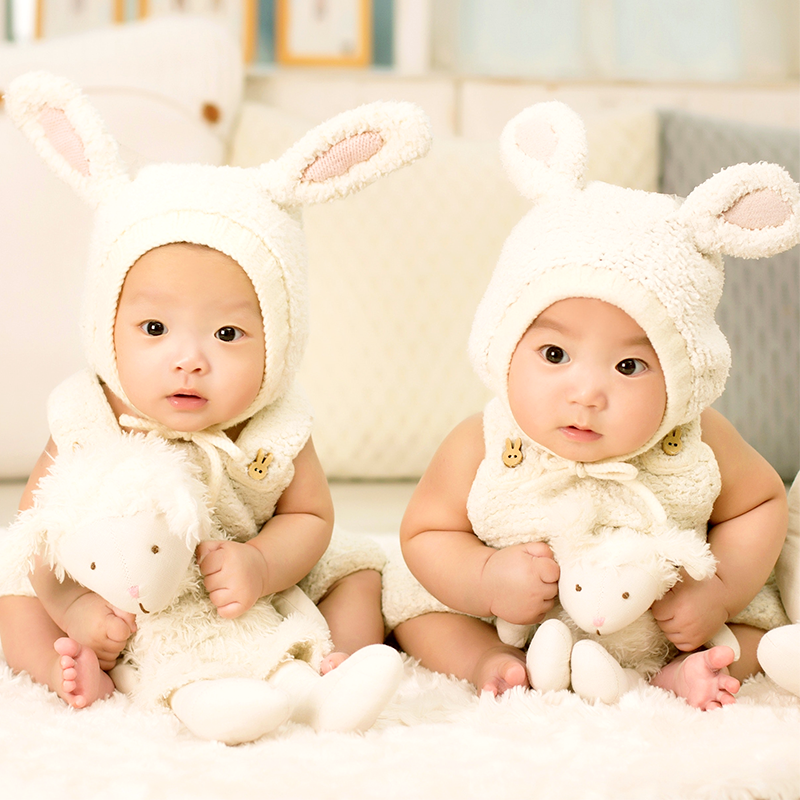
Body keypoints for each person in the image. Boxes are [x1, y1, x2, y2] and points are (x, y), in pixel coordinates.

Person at [0, 71, 431, 731]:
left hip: (245, 587)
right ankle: (78, 667)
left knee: (359, 572)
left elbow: (310, 517)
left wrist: (261, 563)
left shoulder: (274, 426)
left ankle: (337, 664)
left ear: (279, 340)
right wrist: (77, 610)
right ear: (105, 328)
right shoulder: (90, 417)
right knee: (15, 600)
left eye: (227, 333)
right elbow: (40, 537)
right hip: (122, 596)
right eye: (154, 329)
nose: (189, 357)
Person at [382, 101, 799, 710]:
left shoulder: (699, 440)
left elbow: (761, 503)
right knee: (418, 616)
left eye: (629, 366)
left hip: (662, 628)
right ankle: (492, 665)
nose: (586, 393)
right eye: (554, 355)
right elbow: (425, 532)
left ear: (681, 377)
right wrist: (485, 580)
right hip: (514, 624)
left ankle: (677, 675)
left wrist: (720, 593)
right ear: (506, 344)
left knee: (753, 635)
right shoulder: (484, 441)